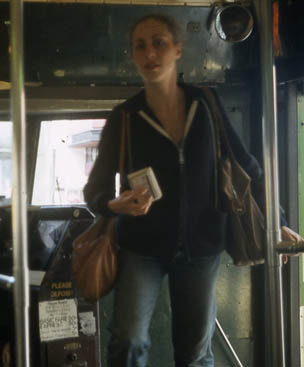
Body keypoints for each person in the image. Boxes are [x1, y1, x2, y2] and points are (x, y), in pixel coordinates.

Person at [83, 14, 301, 366]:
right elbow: (94, 191)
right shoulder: (124, 116)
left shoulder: (208, 105)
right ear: (133, 55)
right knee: (128, 341)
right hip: (141, 247)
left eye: (159, 42)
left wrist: (277, 219)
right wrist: (115, 205)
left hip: (202, 245)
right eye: (140, 45)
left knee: (195, 353)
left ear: (178, 49)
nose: (150, 53)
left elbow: (248, 168)